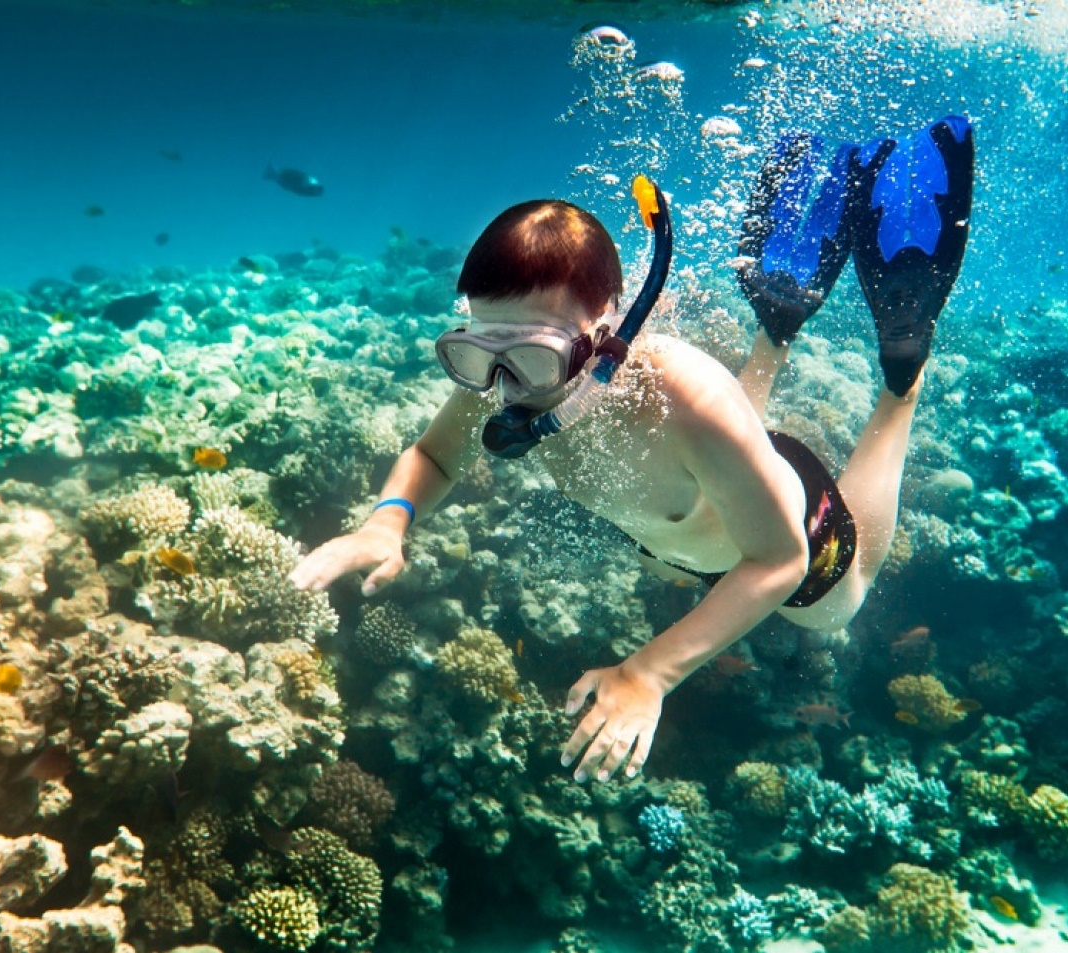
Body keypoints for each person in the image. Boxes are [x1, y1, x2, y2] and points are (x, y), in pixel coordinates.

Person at [290, 116, 975, 784]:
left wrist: (650, 672)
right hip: (699, 505)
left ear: (605, 332)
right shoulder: (509, 365)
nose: (502, 387)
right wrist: (386, 521)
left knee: (834, 612)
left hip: (788, 530)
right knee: (701, 508)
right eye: (474, 353)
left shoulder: (691, 398)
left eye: (532, 357)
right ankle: (779, 314)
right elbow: (435, 455)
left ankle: (902, 372)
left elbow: (779, 559)